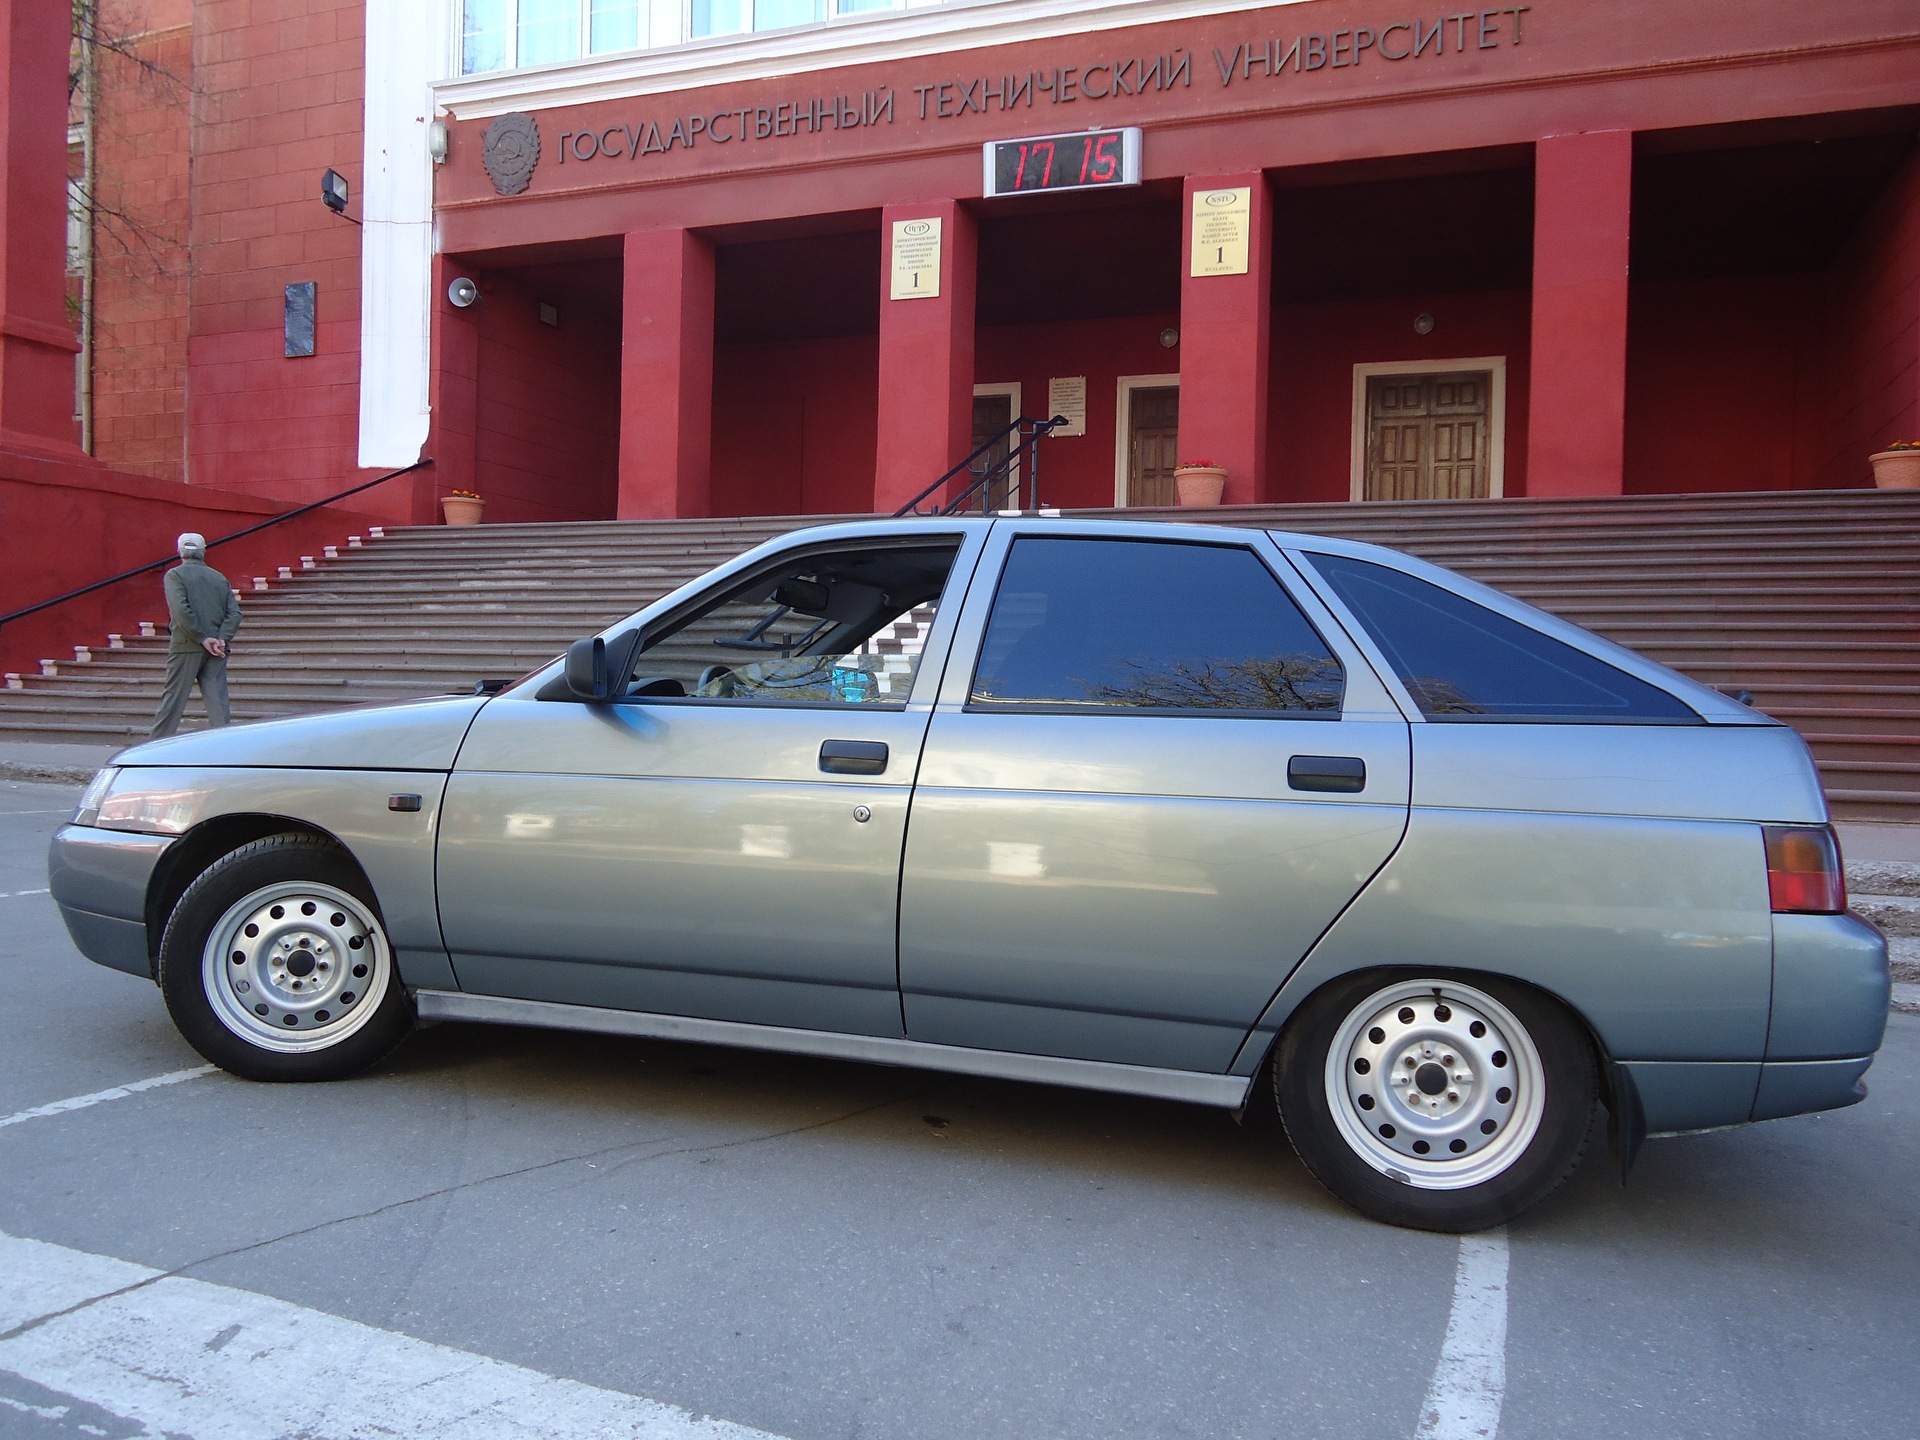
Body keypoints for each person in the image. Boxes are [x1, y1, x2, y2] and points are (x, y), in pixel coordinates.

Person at [149, 532, 242, 739]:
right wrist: (221, 638)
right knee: (218, 701)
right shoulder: (218, 577)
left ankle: (156, 744)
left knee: (173, 699)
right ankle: (226, 745)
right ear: (203, 551)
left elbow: (181, 611)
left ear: (179, 551)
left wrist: (201, 637)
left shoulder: (175, 575)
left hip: (186, 644)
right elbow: (234, 614)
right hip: (217, 646)